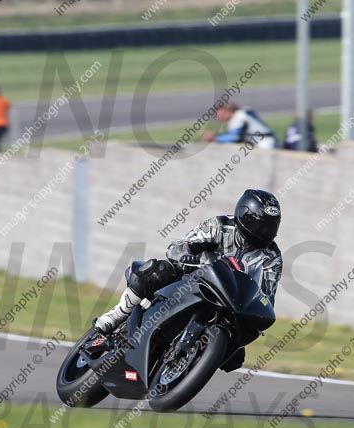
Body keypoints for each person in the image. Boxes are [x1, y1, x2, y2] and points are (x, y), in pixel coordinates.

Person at [94, 189, 283, 372]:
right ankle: (118, 313)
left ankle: (189, 363)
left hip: (229, 304)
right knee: (158, 270)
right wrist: (186, 256)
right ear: (244, 215)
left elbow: (266, 298)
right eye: (260, 224)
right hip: (194, 279)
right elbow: (178, 246)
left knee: (235, 356)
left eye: (270, 226)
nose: (264, 231)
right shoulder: (221, 226)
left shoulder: (272, 257)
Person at [201, 103, 278, 149]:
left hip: (265, 144)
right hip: (267, 141)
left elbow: (235, 138)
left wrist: (214, 137)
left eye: (220, 115)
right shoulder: (243, 111)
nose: (219, 118)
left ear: (227, 111)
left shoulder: (238, 117)